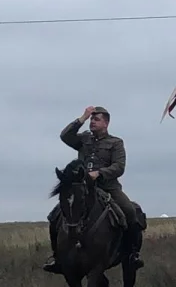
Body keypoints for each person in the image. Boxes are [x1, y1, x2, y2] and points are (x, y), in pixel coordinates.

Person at [44, 105, 145, 273]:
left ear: (106, 123)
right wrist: (81, 118)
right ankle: (57, 257)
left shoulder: (115, 143)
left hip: (109, 188)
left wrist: (99, 173)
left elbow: (119, 167)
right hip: (83, 188)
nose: (92, 122)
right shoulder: (84, 139)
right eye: (91, 119)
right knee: (55, 215)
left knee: (129, 211)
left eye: (96, 119)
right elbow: (65, 136)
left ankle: (132, 254)